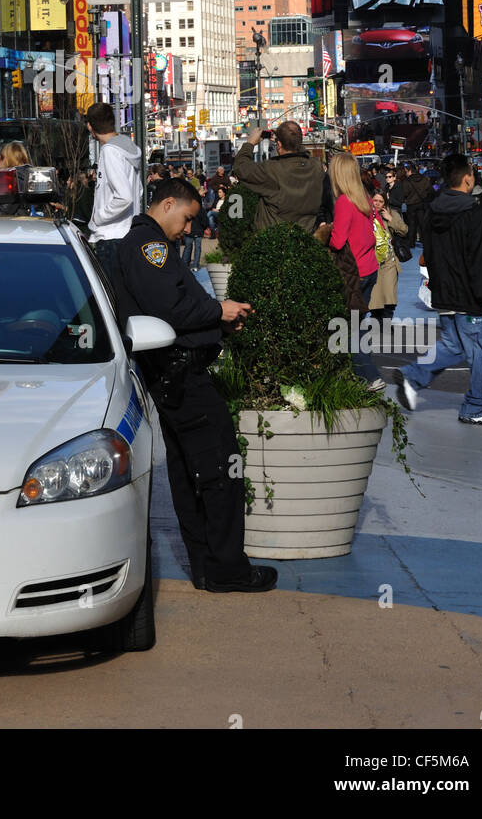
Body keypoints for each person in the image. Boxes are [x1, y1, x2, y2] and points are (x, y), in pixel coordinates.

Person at [114, 177, 277, 594]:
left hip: (174, 375)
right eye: (187, 219)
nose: (188, 229)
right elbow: (171, 308)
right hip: (182, 377)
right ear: (168, 204)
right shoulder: (148, 246)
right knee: (221, 470)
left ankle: (207, 567)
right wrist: (219, 310)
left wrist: (217, 323)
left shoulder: (147, 244)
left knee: (191, 472)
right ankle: (227, 569)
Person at [394, 154, 482, 427]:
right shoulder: (471, 211)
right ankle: (476, 407)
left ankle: (412, 376)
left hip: (443, 294)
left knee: (453, 346)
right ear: (467, 178)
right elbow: (479, 260)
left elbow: (429, 254)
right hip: (470, 297)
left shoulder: (432, 211)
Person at [328, 151, 380, 387]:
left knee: (346, 330)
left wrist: (327, 231)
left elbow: (338, 242)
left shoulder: (343, 202)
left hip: (352, 274)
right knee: (357, 325)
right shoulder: (365, 198)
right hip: (369, 269)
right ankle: (360, 376)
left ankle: (370, 376)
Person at [231, 120, 324, 233]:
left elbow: (241, 168)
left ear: (279, 145)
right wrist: (293, 143)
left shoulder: (271, 169)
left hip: (275, 237)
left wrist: (249, 143)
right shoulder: (316, 167)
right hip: (307, 236)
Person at [85, 101, 142, 279]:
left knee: (111, 292)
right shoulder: (128, 148)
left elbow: (124, 197)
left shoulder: (110, 151)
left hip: (111, 237)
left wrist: (99, 217)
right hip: (128, 233)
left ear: (90, 126)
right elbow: (138, 191)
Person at [369, 191, 408, 323]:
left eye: (380, 201)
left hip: (389, 260)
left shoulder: (392, 213)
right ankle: (375, 322)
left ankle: (386, 323)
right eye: (375, 200)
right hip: (372, 260)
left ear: (385, 203)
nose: (377, 204)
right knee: (375, 295)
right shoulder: (366, 214)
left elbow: (404, 230)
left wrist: (390, 219)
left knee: (389, 294)